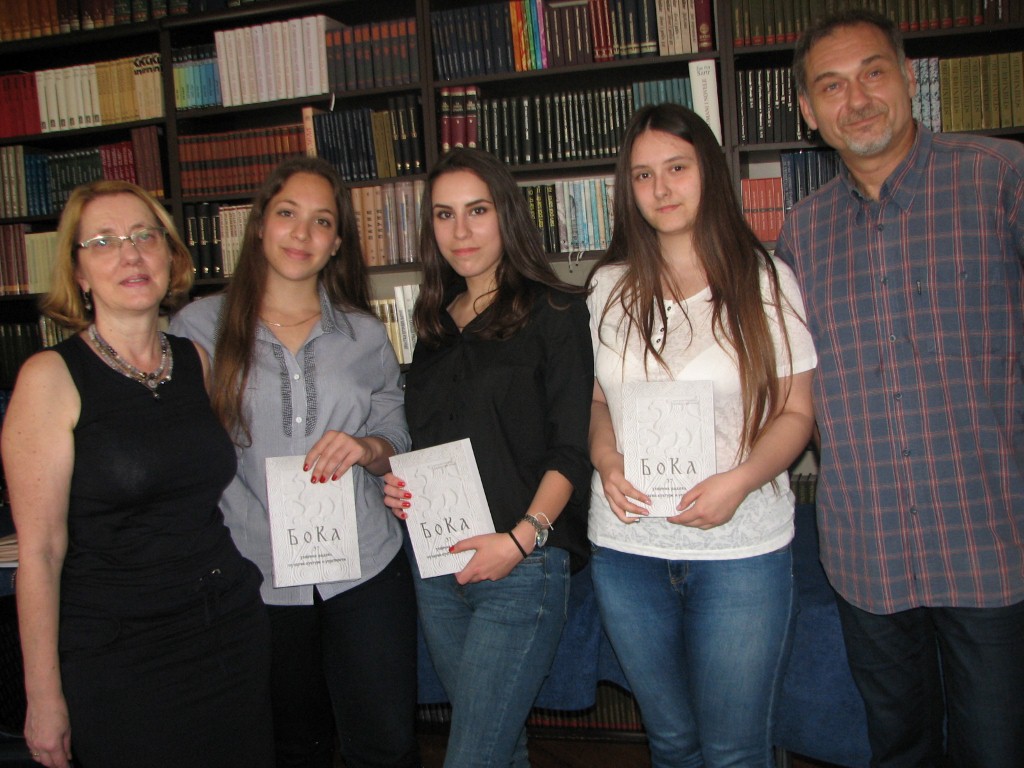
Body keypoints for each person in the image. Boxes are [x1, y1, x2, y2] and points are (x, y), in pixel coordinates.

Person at [777, 10, 1024, 767]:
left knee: (997, 749)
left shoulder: (1000, 178)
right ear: (809, 112)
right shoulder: (800, 234)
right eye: (832, 86)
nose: (857, 100)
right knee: (898, 752)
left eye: (873, 73)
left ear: (909, 78)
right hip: (869, 553)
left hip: (994, 542)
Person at [1, 180, 273, 768]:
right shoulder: (50, 379)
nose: (130, 254)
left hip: (227, 632)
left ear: (170, 256)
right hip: (120, 653)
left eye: (144, 236)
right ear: (78, 272)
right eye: (103, 242)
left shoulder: (194, 360)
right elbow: (40, 554)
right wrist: (43, 697)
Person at [586, 103, 817, 768]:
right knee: (671, 743)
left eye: (677, 168)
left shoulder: (765, 280)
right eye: (643, 175)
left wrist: (739, 482)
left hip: (740, 548)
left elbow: (796, 414)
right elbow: (599, 401)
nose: (660, 188)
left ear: (709, 171)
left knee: (734, 751)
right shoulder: (607, 287)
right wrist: (604, 457)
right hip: (627, 548)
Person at [170, 157, 419, 768]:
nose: (302, 233)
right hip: (255, 576)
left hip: (365, 568)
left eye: (322, 221)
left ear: (337, 243)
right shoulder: (196, 328)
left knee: (386, 744)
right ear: (259, 225)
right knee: (290, 747)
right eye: (287, 213)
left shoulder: (364, 334)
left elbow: (396, 434)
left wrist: (368, 449)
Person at [380, 147, 593, 768]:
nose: (461, 231)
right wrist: (401, 484)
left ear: (506, 214)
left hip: (520, 564)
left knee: (472, 756)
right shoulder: (433, 325)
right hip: (438, 567)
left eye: (477, 210)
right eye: (444, 214)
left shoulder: (556, 310)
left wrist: (522, 540)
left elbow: (572, 449)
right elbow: (433, 441)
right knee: (501, 748)